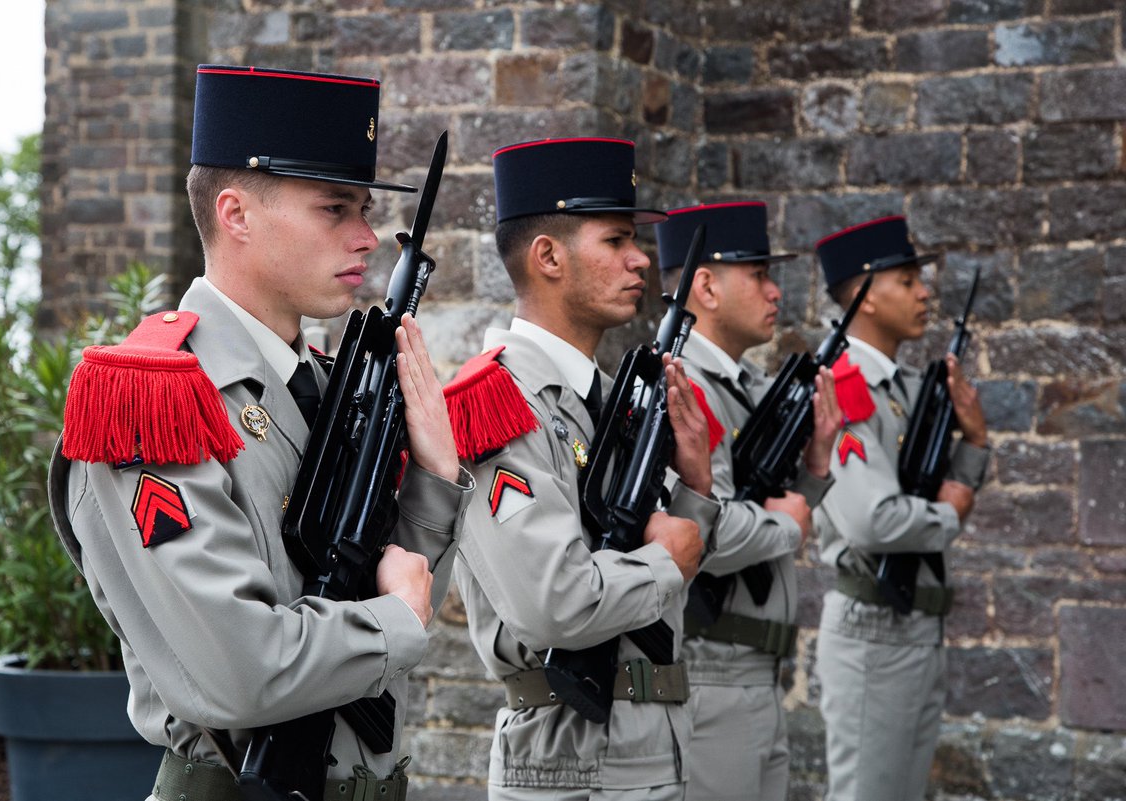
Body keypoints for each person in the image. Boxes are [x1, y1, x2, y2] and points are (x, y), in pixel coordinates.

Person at [47, 64, 473, 801]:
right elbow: (240, 669)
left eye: (365, 210)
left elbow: (380, 577)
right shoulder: (155, 396)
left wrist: (433, 479)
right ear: (237, 213)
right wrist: (397, 619)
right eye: (335, 208)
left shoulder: (323, 386)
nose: (367, 236)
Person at [443, 137, 719, 800]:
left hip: (651, 744)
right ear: (548, 256)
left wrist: (698, 493)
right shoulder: (494, 401)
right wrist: (668, 561)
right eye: (617, 240)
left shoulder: (607, 396)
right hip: (570, 761)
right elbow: (551, 602)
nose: (641, 260)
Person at [653, 202, 841, 801]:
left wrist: (813, 473)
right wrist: (787, 527)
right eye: (757, 273)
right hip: (711, 674)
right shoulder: (684, 388)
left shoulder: (747, 388)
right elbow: (701, 533)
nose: (774, 291)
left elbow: (777, 507)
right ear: (704, 285)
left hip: (758, 674)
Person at [811, 216, 989, 801]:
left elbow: (931, 494)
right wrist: (951, 511)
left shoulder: (908, 388)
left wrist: (974, 447)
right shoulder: (846, 384)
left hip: (915, 622)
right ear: (863, 295)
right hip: (873, 631)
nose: (925, 292)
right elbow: (874, 520)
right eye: (907, 279)